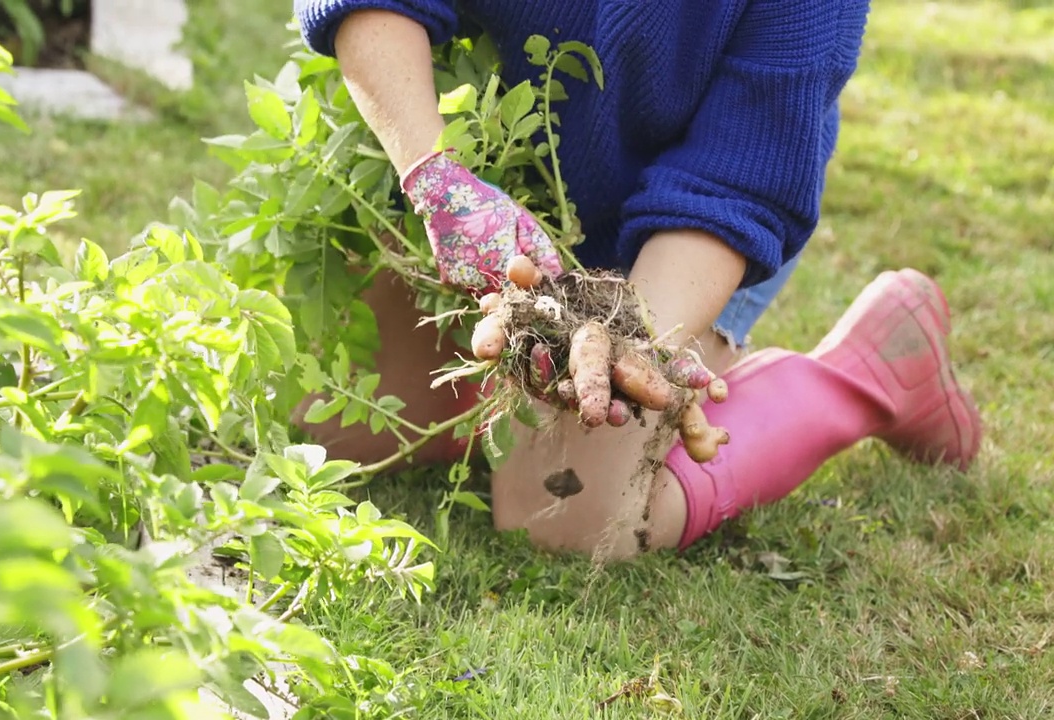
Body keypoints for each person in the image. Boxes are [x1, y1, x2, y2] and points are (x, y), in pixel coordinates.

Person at [290, 0, 984, 559]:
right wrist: (437, 179)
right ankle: (509, 401)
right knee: (331, 436)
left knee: (563, 522)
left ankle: (865, 374)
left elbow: (734, 180)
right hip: (488, 186)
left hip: (693, 226)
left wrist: (625, 332)